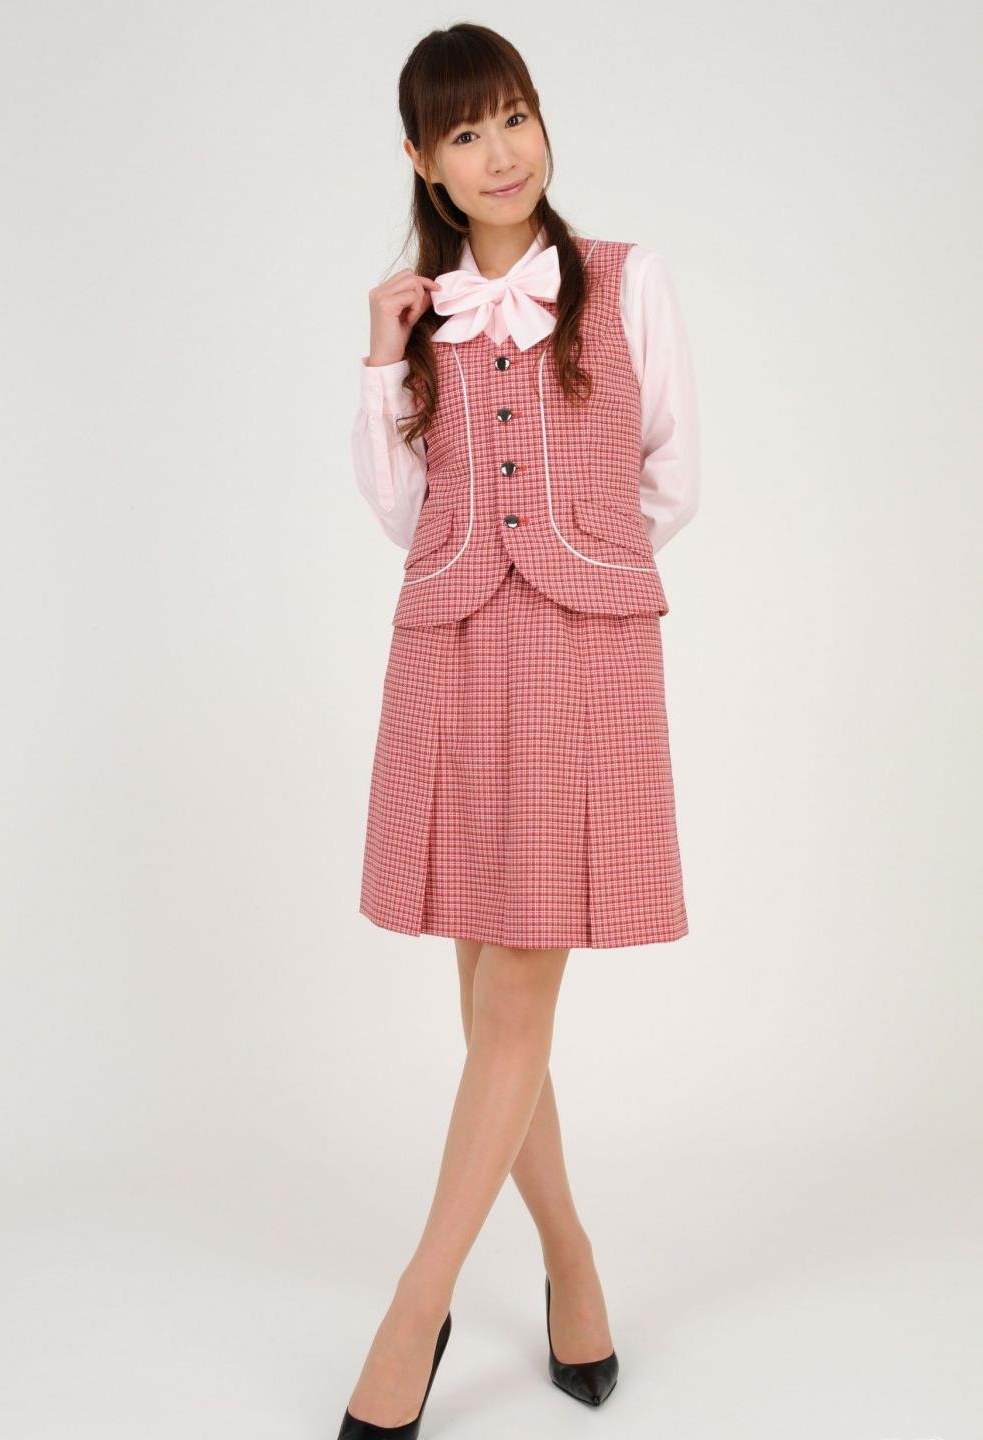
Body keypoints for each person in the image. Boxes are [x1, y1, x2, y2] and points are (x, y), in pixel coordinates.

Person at [340, 21, 700, 1438]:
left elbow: (672, 472)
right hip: (451, 651)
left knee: (513, 1001)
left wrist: (581, 563)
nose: (501, 154)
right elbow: (400, 509)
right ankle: (571, 1259)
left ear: (542, 123)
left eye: (515, 118)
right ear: (423, 162)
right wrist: (381, 360)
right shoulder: (419, 316)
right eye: (466, 133)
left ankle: (413, 1309)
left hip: (578, 654)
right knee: (489, 988)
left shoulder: (627, 279)